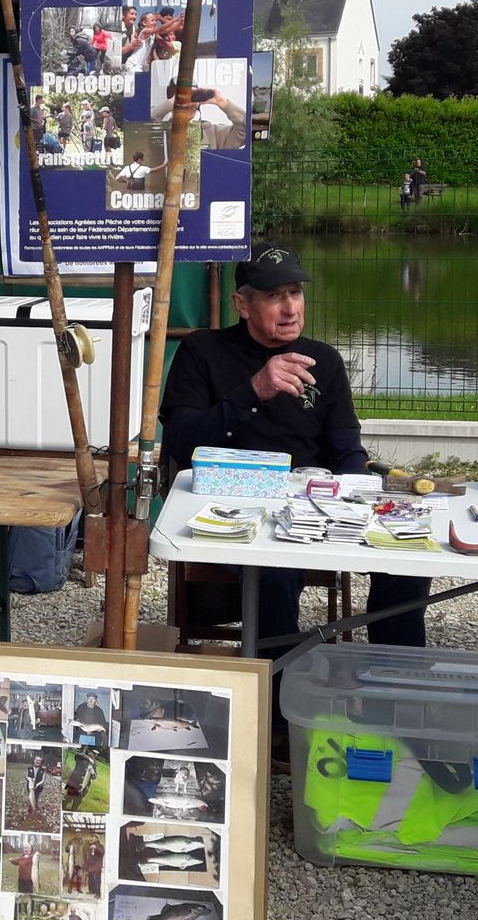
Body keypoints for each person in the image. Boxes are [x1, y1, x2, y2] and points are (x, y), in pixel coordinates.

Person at [160, 243, 432, 653]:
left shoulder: (323, 360)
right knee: (275, 568)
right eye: (273, 296)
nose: (290, 308)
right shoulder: (202, 351)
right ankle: (275, 693)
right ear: (242, 304)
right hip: (231, 502)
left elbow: (346, 449)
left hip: (312, 505)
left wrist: (358, 503)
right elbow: (182, 439)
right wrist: (254, 391)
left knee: (407, 560)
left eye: (295, 293)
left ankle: (393, 680)